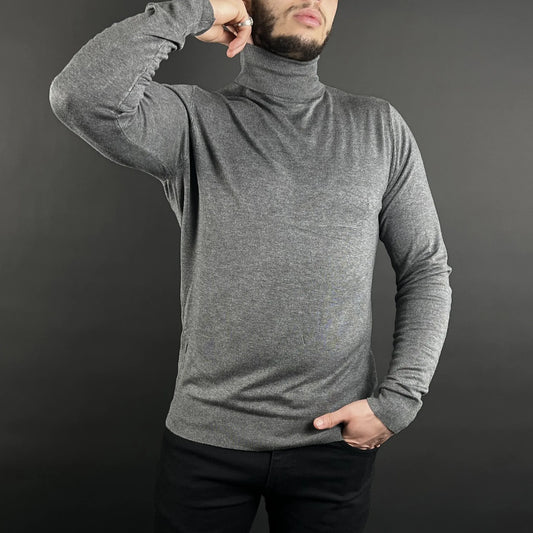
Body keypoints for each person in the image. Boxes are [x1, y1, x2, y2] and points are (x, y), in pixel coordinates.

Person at [49, 1, 453, 531]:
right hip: (206, 445)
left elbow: (425, 268)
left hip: (333, 446)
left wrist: (399, 402)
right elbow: (80, 96)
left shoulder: (378, 126)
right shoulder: (193, 121)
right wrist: (193, 11)